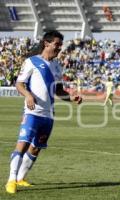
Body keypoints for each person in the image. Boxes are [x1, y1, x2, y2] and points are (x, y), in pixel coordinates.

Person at [5, 30, 82, 194]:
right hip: (32, 112)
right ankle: (11, 180)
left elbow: (59, 91)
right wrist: (28, 95)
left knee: (36, 148)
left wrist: (72, 98)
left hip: (48, 115)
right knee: (23, 144)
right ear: (46, 43)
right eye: (57, 44)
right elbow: (19, 84)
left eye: (61, 44)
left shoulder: (57, 66)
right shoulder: (32, 62)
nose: (60, 48)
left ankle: (21, 178)